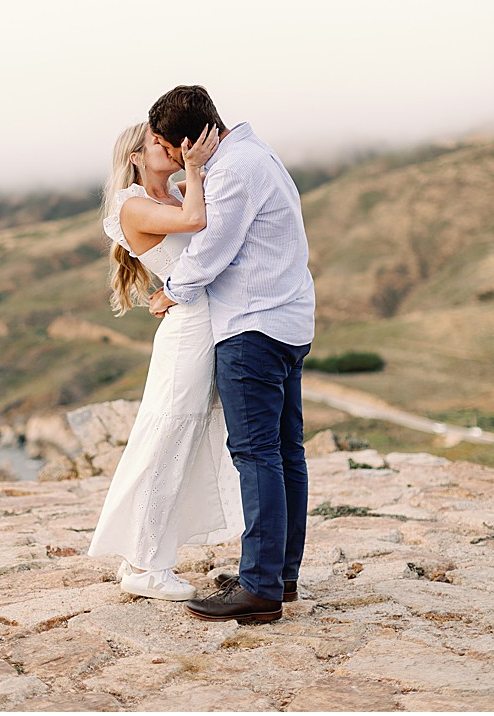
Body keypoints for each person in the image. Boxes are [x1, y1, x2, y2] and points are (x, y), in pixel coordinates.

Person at [145, 85, 317, 624]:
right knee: (286, 452)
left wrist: (171, 290)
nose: (170, 159)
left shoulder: (233, 171)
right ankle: (278, 574)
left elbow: (213, 248)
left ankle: (260, 588)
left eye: (170, 149)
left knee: (257, 453)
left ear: (187, 143)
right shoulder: (254, 151)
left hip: (253, 328)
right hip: (287, 321)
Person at [89, 121, 239, 601]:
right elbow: (198, 224)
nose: (174, 147)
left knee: (188, 440)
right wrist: (197, 168)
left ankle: (150, 555)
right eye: (160, 141)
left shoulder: (174, 193)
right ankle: (143, 565)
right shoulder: (131, 203)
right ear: (136, 155)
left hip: (206, 325)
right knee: (167, 440)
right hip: (187, 335)